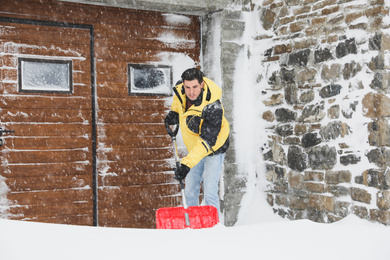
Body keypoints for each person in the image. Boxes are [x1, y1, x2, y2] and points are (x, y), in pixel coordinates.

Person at [164, 68, 230, 214]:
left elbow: (207, 141)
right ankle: (193, 226)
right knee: (190, 192)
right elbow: (178, 99)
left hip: (213, 148)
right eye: (187, 87)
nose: (191, 92)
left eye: (195, 87)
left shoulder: (213, 106)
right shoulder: (182, 89)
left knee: (210, 193)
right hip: (195, 147)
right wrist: (174, 113)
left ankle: (214, 229)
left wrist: (186, 165)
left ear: (201, 84)